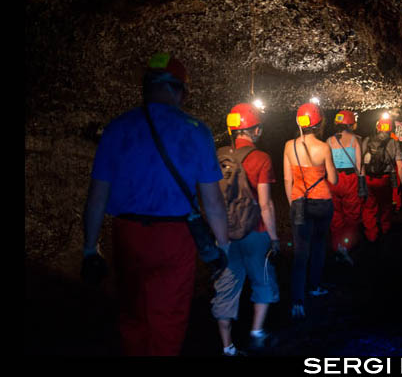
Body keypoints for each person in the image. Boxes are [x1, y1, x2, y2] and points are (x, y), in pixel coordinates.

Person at [81, 52, 230, 356]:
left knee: (133, 314)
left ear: (145, 87)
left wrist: (89, 248)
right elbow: (212, 201)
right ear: (179, 90)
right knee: (168, 319)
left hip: (128, 234)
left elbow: (97, 197)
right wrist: (223, 247)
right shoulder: (196, 130)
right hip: (175, 237)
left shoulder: (117, 128)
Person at [211, 103, 280, 356]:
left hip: (224, 232)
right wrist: (273, 238)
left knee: (226, 286)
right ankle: (257, 332)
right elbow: (265, 204)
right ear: (256, 130)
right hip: (255, 231)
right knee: (262, 279)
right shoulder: (261, 158)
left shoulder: (217, 155)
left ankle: (227, 346)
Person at [283, 103, 337, 319]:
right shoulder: (324, 148)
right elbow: (332, 179)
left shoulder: (289, 146)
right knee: (318, 246)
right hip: (322, 203)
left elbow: (288, 179)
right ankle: (314, 287)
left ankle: (297, 301)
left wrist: (293, 204)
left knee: (300, 253)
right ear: (319, 122)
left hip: (299, 203)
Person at [326, 110, 363, 266]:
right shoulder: (355, 140)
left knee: (335, 215)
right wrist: (363, 185)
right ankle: (346, 246)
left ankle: (336, 247)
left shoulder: (328, 141)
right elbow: (360, 166)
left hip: (333, 180)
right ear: (350, 124)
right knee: (352, 215)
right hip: (350, 180)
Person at [361, 114, 402, 243]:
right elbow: (400, 165)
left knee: (369, 207)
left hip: (369, 179)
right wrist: (401, 183)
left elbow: (361, 162)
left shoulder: (367, 140)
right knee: (385, 206)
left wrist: (361, 180)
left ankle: (371, 235)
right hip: (386, 179)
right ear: (391, 128)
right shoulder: (393, 142)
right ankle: (385, 231)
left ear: (378, 127)